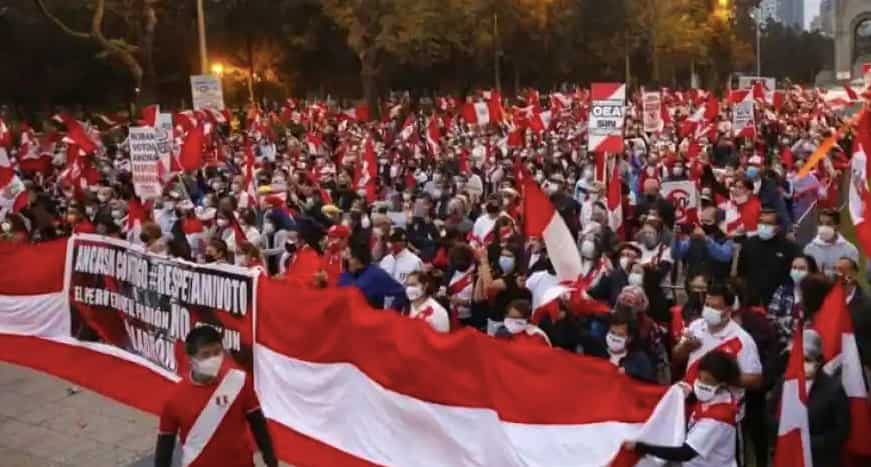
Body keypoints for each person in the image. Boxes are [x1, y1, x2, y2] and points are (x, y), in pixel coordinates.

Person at [155, 326, 277, 467]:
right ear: (190, 358)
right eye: (206, 355)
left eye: (217, 352)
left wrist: (270, 459)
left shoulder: (238, 381)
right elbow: (165, 445)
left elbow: (258, 424)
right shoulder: (174, 399)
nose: (213, 359)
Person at [623, 350, 741, 467]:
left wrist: (642, 447)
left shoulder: (717, 419)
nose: (701, 383)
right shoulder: (714, 398)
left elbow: (685, 453)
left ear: (723, 384)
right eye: (699, 377)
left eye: (708, 381)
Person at [673, 283, 762, 409]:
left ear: (727, 311)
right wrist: (686, 347)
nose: (708, 310)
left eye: (714, 307)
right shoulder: (696, 326)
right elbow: (676, 356)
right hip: (690, 400)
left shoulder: (743, 340)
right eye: (707, 305)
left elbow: (756, 380)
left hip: (722, 409)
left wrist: (722, 377)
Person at [768, 329, 850, 467]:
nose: (800, 364)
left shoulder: (833, 390)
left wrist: (808, 443)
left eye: (806, 359)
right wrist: (785, 436)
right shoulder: (785, 383)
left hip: (820, 460)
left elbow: (842, 431)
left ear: (818, 361)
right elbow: (770, 413)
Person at [737, 209, 799, 307]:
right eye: (761, 222)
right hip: (752, 302)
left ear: (778, 227)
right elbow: (741, 274)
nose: (763, 226)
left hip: (778, 302)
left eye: (768, 223)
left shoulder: (789, 247)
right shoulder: (748, 244)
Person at [583, 306, 656, 382]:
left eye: (620, 335)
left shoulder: (639, 360)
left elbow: (647, 387)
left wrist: (629, 375)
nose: (614, 337)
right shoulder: (596, 353)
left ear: (629, 338)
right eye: (612, 332)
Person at [767, 254, 819, 352]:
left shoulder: (816, 294)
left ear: (810, 271)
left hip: (809, 347)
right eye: (794, 268)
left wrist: (786, 322)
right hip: (784, 346)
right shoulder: (782, 291)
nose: (797, 271)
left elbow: (815, 323)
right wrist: (795, 323)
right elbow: (771, 319)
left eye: (802, 268)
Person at [671, 205, 734, 282]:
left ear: (718, 222)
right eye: (702, 221)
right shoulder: (694, 237)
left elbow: (725, 256)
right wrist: (676, 239)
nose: (704, 224)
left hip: (716, 283)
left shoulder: (727, 238)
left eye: (708, 221)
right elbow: (676, 254)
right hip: (694, 281)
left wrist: (706, 239)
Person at [338, 243, 406, 310]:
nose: (344, 257)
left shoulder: (377, 274)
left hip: (370, 317)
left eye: (348, 255)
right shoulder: (344, 277)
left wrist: (388, 313)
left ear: (357, 259)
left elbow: (400, 293)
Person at [803, 208, 859, 278]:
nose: (823, 227)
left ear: (837, 226)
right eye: (821, 224)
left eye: (828, 224)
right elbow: (806, 277)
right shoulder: (809, 249)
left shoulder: (850, 250)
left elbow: (851, 277)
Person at [836, 257, 871, 368]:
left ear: (854, 273)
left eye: (843, 270)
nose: (839, 274)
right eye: (836, 270)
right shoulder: (828, 299)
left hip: (859, 365)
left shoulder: (866, 306)